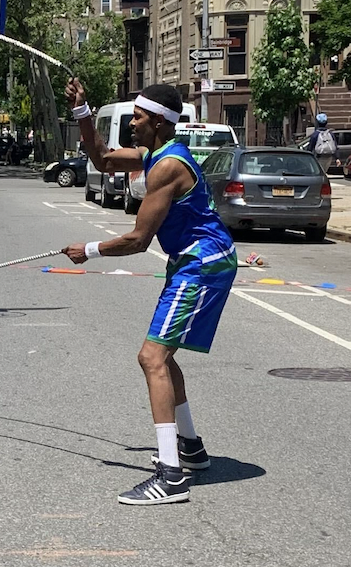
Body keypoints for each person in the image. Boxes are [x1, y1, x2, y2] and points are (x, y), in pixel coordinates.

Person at [63, 80, 237, 507]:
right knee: (163, 356)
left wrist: (87, 250)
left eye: (138, 119)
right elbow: (102, 159)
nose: (132, 126)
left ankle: (171, 475)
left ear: (158, 121)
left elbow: (140, 240)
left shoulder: (167, 167)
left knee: (151, 358)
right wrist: (83, 112)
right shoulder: (154, 153)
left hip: (202, 265)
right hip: (193, 262)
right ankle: (190, 450)